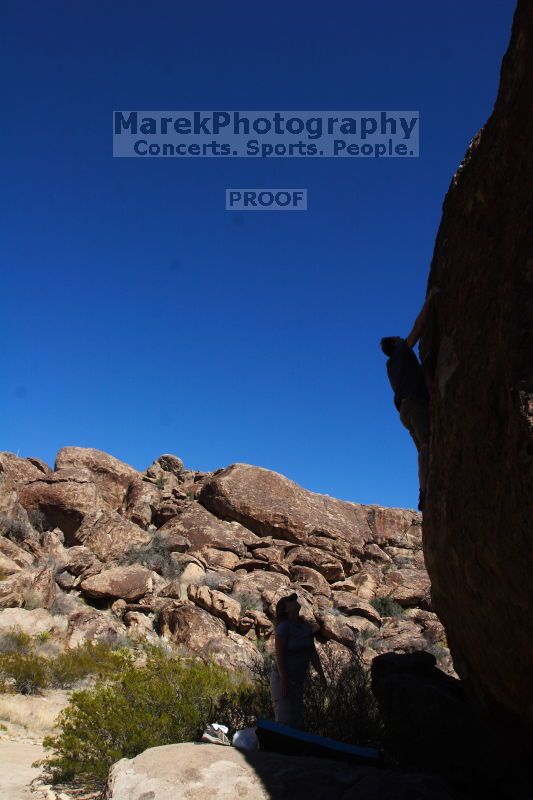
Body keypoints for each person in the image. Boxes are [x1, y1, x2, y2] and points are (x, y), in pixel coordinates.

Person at [380, 287, 439, 512]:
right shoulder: (401, 353)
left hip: (406, 409)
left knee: (423, 449)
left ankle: (424, 486)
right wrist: (431, 300)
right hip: (414, 404)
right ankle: (424, 489)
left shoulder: (392, 365)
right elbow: (417, 329)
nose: (401, 337)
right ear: (395, 344)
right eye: (398, 338)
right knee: (426, 445)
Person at [270, 593, 326, 729]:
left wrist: (322, 674)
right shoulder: (283, 627)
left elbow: (312, 652)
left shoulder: (305, 627)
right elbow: (279, 654)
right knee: (284, 718)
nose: (295, 601)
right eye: (290, 601)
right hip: (283, 679)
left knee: (296, 718)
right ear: (285, 609)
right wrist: (284, 679)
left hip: (298, 680)